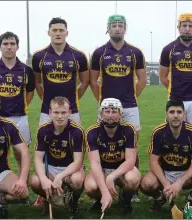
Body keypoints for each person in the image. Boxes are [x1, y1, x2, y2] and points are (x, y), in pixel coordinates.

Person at [90, 14, 146, 202]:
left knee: (132, 146)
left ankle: (132, 190)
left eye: (120, 25)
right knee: (103, 142)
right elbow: (92, 80)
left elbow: (142, 80)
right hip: (107, 107)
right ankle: (103, 183)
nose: (117, 28)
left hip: (129, 106)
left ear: (125, 28)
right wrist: (103, 101)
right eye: (113, 25)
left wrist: (129, 98)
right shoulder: (99, 52)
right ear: (108, 28)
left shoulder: (135, 52)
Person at [0, 31, 35, 201]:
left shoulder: (26, 70)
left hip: (20, 117)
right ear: (0, 46)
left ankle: (21, 182)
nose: (9, 47)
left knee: (21, 153)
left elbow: (30, 93)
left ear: (17, 47)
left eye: (12, 44)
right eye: (5, 44)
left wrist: (20, 106)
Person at [159, 12, 192, 167]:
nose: (187, 29)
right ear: (179, 27)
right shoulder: (168, 49)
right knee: (170, 141)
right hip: (175, 101)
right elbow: (164, 77)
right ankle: (170, 177)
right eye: (184, 26)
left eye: (190, 26)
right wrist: (175, 91)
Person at [140, 100, 192, 211]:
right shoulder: (158, 132)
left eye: (179, 112)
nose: (176, 116)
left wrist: (179, 183)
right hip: (165, 173)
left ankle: (191, 197)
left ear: (184, 115)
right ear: (166, 115)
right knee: (146, 183)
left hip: (185, 173)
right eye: (172, 112)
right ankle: (160, 199)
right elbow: (153, 162)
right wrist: (165, 183)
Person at [29, 97, 86, 218]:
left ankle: (73, 203)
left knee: (77, 180)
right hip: (50, 168)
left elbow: (78, 162)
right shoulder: (43, 130)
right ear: (50, 113)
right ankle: (47, 200)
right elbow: (38, 159)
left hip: (70, 168)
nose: (60, 116)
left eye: (63, 112)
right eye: (56, 112)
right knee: (35, 181)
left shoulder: (77, 131)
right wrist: (44, 179)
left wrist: (60, 176)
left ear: (70, 113)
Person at [84, 98, 141, 214]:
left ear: (120, 115)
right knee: (90, 187)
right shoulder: (92, 132)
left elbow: (131, 161)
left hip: (122, 171)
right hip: (102, 169)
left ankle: (125, 199)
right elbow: (95, 164)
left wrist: (111, 177)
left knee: (133, 179)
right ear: (101, 114)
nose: (111, 115)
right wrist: (104, 191)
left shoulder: (129, 129)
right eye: (107, 111)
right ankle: (100, 199)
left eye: (114, 112)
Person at [32, 17, 89, 126]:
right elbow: (37, 83)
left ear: (67, 33)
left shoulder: (78, 56)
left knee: (75, 141)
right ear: (49, 33)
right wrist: (47, 100)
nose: (58, 33)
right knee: (45, 141)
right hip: (47, 110)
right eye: (54, 30)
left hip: (72, 110)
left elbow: (85, 82)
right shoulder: (38, 56)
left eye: (61, 30)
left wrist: (74, 98)